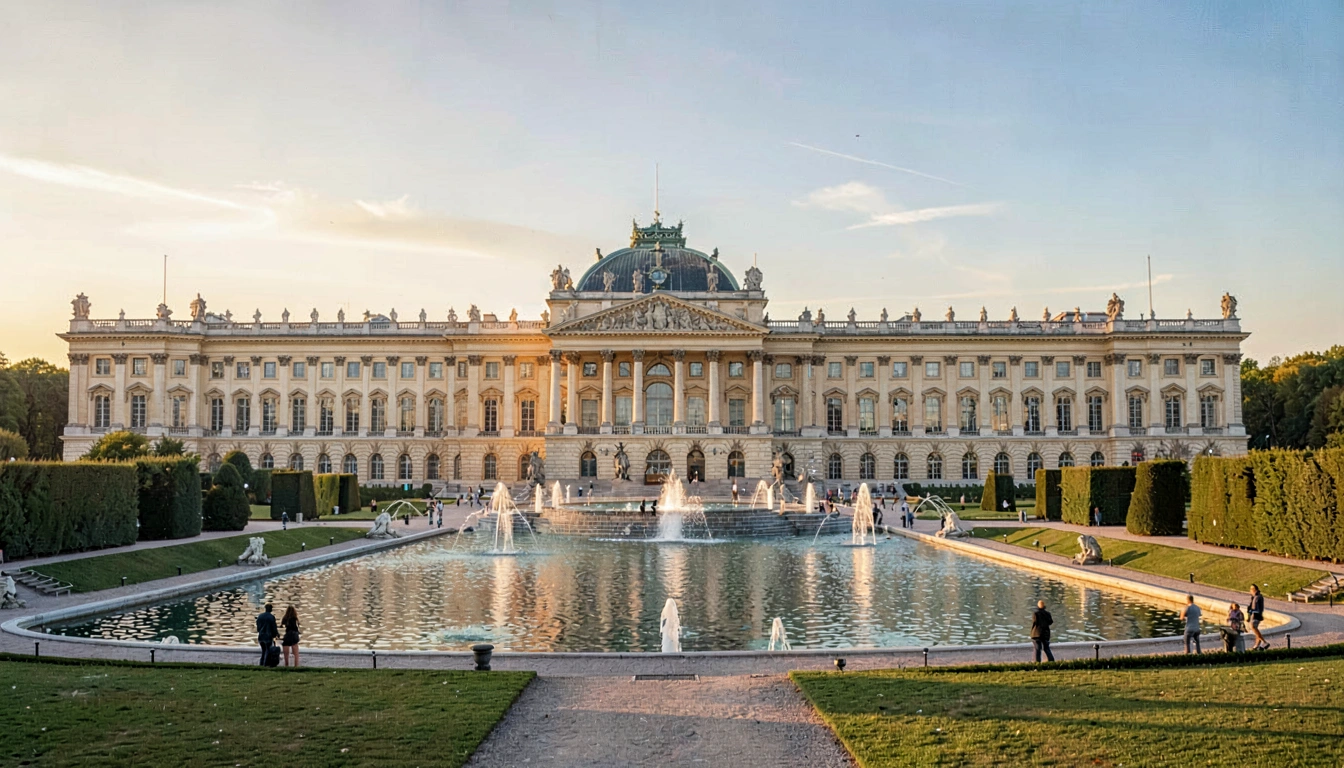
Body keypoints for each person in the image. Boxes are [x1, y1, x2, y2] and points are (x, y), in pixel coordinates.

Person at [1248, 585, 1268, 650]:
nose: (1250, 591)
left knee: (1253, 627)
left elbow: (1257, 608)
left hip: (1256, 615)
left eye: (1251, 589)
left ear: (1254, 589)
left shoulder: (1258, 597)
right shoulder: (1255, 597)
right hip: (1254, 614)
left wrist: (1253, 613)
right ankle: (1257, 645)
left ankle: (1264, 642)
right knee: (1255, 628)